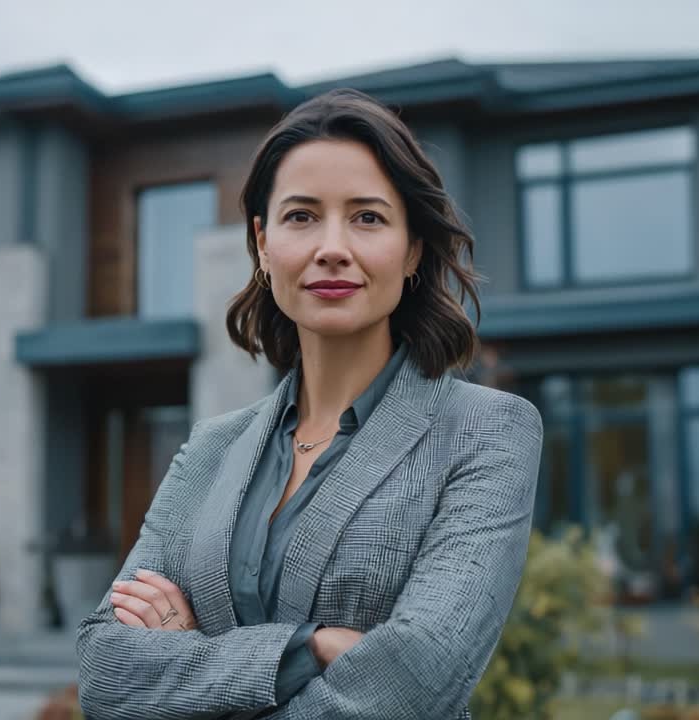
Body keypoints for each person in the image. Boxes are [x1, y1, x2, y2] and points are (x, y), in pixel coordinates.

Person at [75, 87, 544, 720]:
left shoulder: (488, 432)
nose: (332, 246)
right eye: (302, 216)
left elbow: (419, 675)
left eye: (367, 217)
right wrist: (311, 649)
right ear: (264, 245)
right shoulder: (211, 448)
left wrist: (197, 665)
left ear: (411, 250)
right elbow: (106, 673)